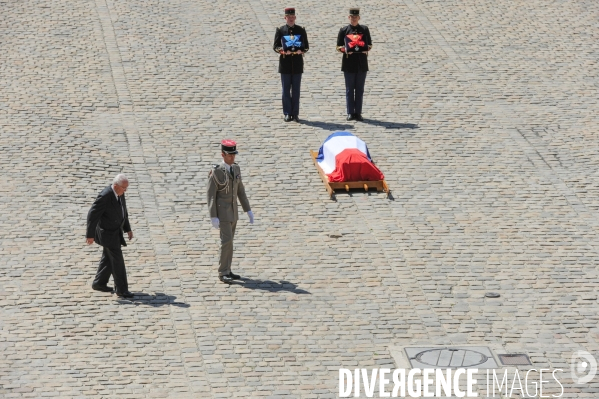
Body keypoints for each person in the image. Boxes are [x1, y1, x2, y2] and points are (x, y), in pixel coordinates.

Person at [207, 140, 254, 283]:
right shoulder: (216, 172)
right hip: (223, 213)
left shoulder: (236, 169)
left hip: (233, 212)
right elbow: (211, 195)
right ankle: (222, 272)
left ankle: (228, 269)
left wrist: (248, 209)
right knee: (226, 241)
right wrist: (213, 216)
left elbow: (240, 191)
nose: (232, 157)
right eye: (229, 155)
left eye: (233, 154)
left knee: (230, 242)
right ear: (223, 155)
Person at [86, 174, 134, 298]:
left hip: (115, 232)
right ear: (115, 186)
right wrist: (90, 235)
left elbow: (124, 212)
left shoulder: (120, 193)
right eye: (124, 188)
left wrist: (127, 229)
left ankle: (99, 283)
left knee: (108, 258)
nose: (125, 190)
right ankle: (121, 289)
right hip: (107, 234)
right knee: (118, 261)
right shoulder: (105, 196)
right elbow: (92, 215)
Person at [273, 7, 309, 122]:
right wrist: (283, 51)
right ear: (285, 18)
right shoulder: (280, 30)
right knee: (285, 90)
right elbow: (276, 46)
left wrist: (301, 50)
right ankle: (287, 113)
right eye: (289, 17)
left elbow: (306, 46)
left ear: (295, 17)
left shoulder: (301, 30)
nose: (291, 19)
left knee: (296, 90)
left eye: (293, 17)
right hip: (285, 64)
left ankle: (295, 113)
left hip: (297, 63)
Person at [336, 8, 372, 121]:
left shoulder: (364, 29)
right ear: (349, 18)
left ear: (359, 18)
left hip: (361, 63)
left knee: (360, 89)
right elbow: (338, 46)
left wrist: (364, 48)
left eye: (356, 17)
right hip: (349, 63)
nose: (354, 19)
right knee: (350, 89)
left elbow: (369, 44)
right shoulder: (344, 30)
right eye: (352, 17)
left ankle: (358, 112)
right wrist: (346, 50)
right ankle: (350, 112)